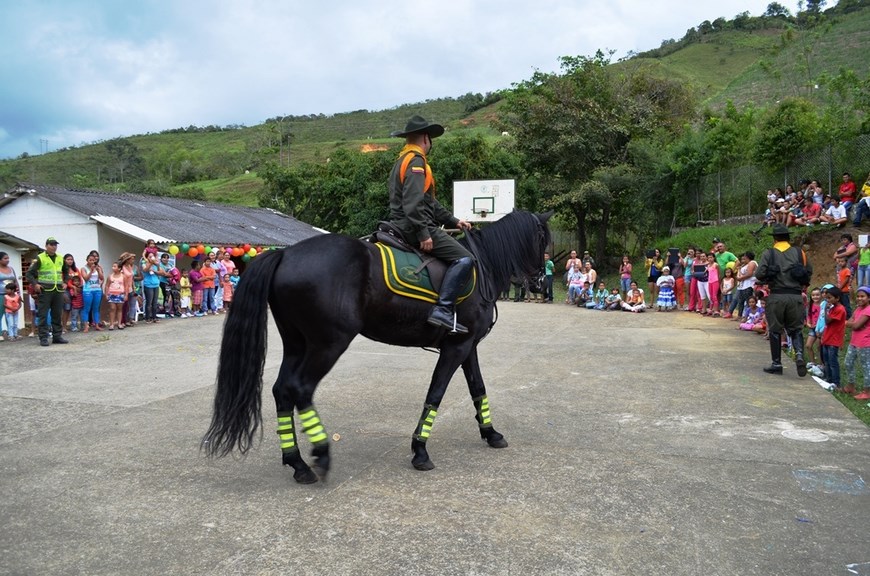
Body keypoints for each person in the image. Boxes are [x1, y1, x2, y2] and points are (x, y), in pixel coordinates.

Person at [388, 115, 474, 333]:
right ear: (426, 138)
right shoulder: (417, 162)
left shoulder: (402, 159)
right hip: (413, 226)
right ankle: (443, 309)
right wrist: (423, 233)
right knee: (465, 258)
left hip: (403, 222)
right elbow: (413, 204)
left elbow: (429, 202)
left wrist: (454, 221)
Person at [754, 223, 812, 376]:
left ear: (775, 238)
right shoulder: (800, 253)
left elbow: (759, 274)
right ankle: (799, 354)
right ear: (788, 237)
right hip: (795, 296)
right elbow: (809, 272)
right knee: (795, 329)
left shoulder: (769, 253)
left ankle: (777, 363)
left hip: (777, 296)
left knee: (775, 329)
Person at [25, 237, 69, 346]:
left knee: (57, 314)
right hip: (45, 290)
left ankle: (57, 336)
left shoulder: (60, 258)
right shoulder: (40, 258)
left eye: (55, 244)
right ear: (46, 246)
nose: (54, 246)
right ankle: (43, 337)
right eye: (51, 244)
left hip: (58, 289)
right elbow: (29, 274)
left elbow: (66, 271)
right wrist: (35, 284)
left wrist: (65, 282)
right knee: (43, 315)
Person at [844, 285, 870, 398]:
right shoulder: (858, 309)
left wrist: (848, 323)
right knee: (848, 362)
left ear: (869, 298)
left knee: (866, 367)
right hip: (854, 342)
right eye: (858, 296)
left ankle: (867, 391)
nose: (859, 298)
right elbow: (851, 321)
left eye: (863, 296)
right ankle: (850, 386)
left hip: (865, 343)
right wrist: (851, 323)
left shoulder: (868, 310)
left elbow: (856, 325)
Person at [820, 287, 846, 389]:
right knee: (826, 360)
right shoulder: (833, 308)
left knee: (832, 362)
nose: (828, 300)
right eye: (827, 298)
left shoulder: (840, 309)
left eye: (830, 298)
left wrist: (826, 309)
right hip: (827, 338)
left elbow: (828, 321)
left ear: (837, 298)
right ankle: (828, 378)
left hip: (833, 340)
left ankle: (836, 382)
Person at [79, 253, 104, 333]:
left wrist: (99, 270)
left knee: (96, 309)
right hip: (88, 290)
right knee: (87, 309)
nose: (92, 262)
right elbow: (85, 278)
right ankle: (86, 326)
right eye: (90, 260)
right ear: (87, 260)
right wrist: (91, 271)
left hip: (97, 290)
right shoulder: (83, 268)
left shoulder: (98, 267)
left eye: (93, 260)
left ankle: (97, 325)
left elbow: (101, 278)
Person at [730, 252, 757, 320]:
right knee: (741, 301)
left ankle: (747, 316)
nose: (744, 258)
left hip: (749, 285)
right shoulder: (745, 265)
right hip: (743, 285)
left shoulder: (752, 263)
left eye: (745, 257)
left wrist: (740, 278)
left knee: (748, 301)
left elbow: (749, 274)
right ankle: (740, 315)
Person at [0, 252, 19, 340]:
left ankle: (12, 333)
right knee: (0, 314)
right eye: (5, 258)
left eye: (8, 258)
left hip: (12, 296)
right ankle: (0, 333)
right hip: (1, 295)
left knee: (11, 313)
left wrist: (17, 292)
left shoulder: (11, 269)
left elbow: (15, 281)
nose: (8, 260)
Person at [804, 287, 823, 373]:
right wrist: (808, 323)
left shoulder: (823, 305)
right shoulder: (810, 305)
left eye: (817, 295)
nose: (815, 297)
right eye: (813, 295)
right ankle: (812, 362)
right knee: (808, 345)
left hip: (820, 329)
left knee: (819, 347)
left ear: (821, 295)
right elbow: (809, 315)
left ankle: (821, 364)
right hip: (812, 328)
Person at [104, 261, 127, 330]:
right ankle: (111, 324)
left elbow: (126, 286)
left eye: (115, 266)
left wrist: (126, 295)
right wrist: (106, 294)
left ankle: (119, 323)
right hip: (112, 294)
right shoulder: (110, 276)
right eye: (112, 266)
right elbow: (107, 286)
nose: (113, 268)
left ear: (119, 268)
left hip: (120, 294)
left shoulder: (123, 276)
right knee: (112, 308)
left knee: (119, 309)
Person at [141, 253, 162, 323]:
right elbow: (145, 270)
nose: (152, 258)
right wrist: (150, 263)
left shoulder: (155, 264)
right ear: (147, 258)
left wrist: (157, 265)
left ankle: (154, 317)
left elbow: (160, 272)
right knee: (149, 302)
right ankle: (147, 317)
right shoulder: (144, 263)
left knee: (155, 302)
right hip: (148, 284)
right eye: (150, 256)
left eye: (152, 256)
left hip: (156, 284)